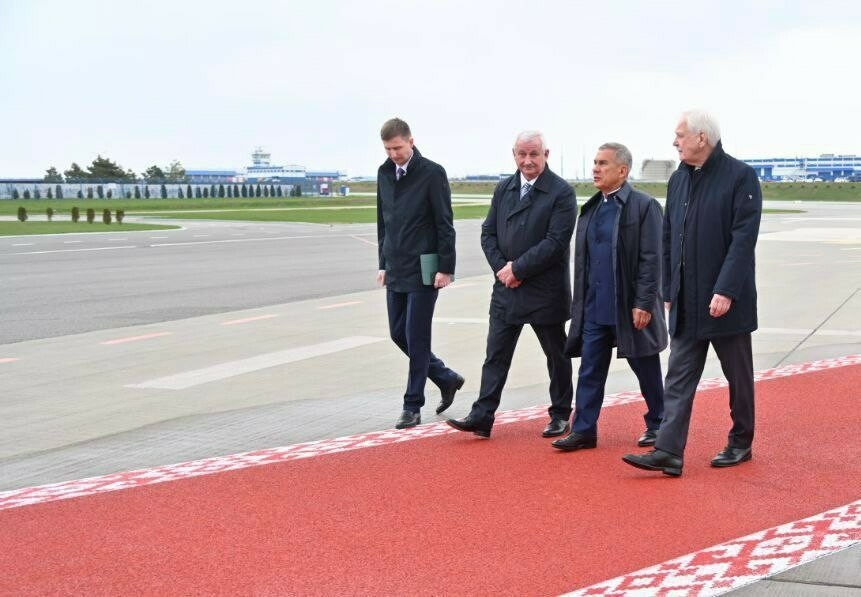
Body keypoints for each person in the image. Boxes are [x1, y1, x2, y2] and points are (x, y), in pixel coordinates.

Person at [622, 110, 762, 476]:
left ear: (702, 138)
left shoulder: (740, 177)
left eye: (680, 135)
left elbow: (743, 240)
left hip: (725, 303)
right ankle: (668, 451)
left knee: (738, 377)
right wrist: (669, 288)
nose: (675, 142)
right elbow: (669, 236)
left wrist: (726, 290)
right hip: (686, 300)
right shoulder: (679, 179)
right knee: (678, 377)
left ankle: (741, 441)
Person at [447, 131, 576, 438]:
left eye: (534, 154)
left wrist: (518, 269)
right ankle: (482, 416)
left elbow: (556, 242)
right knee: (495, 355)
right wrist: (503, 270)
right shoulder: (504, 188)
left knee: (556, 356)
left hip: (544, 290)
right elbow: (488, 233)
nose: (527, 161)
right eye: (522, 154)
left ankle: (560, 414)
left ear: (546, 154)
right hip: (507, 288)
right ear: (514, 154)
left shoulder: (561, 192)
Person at [551, 143, 667, 452]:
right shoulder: (591, 209)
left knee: (646, 368)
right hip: (594, 307)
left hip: (629, 307)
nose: (595, 169)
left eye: (603, 163)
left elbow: (652, 259)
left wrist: (644, 303)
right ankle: (584, 430)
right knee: (589, 369)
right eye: (595, 162)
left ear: (623, 171)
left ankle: (659, 423)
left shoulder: (644, 206)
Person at [376, 117, 464, 430]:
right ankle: (445, 377)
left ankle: (412, 405)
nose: (394, 155)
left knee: (417, 336)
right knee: (398, 333)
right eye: (388, 149)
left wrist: (446, 267)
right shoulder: (384, 173)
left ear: (411, 142)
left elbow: (445, 223)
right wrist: (382, 263)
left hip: (425, 267)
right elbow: (383, 222)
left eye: (398, 148)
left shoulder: (432, 173)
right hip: (396, 266)